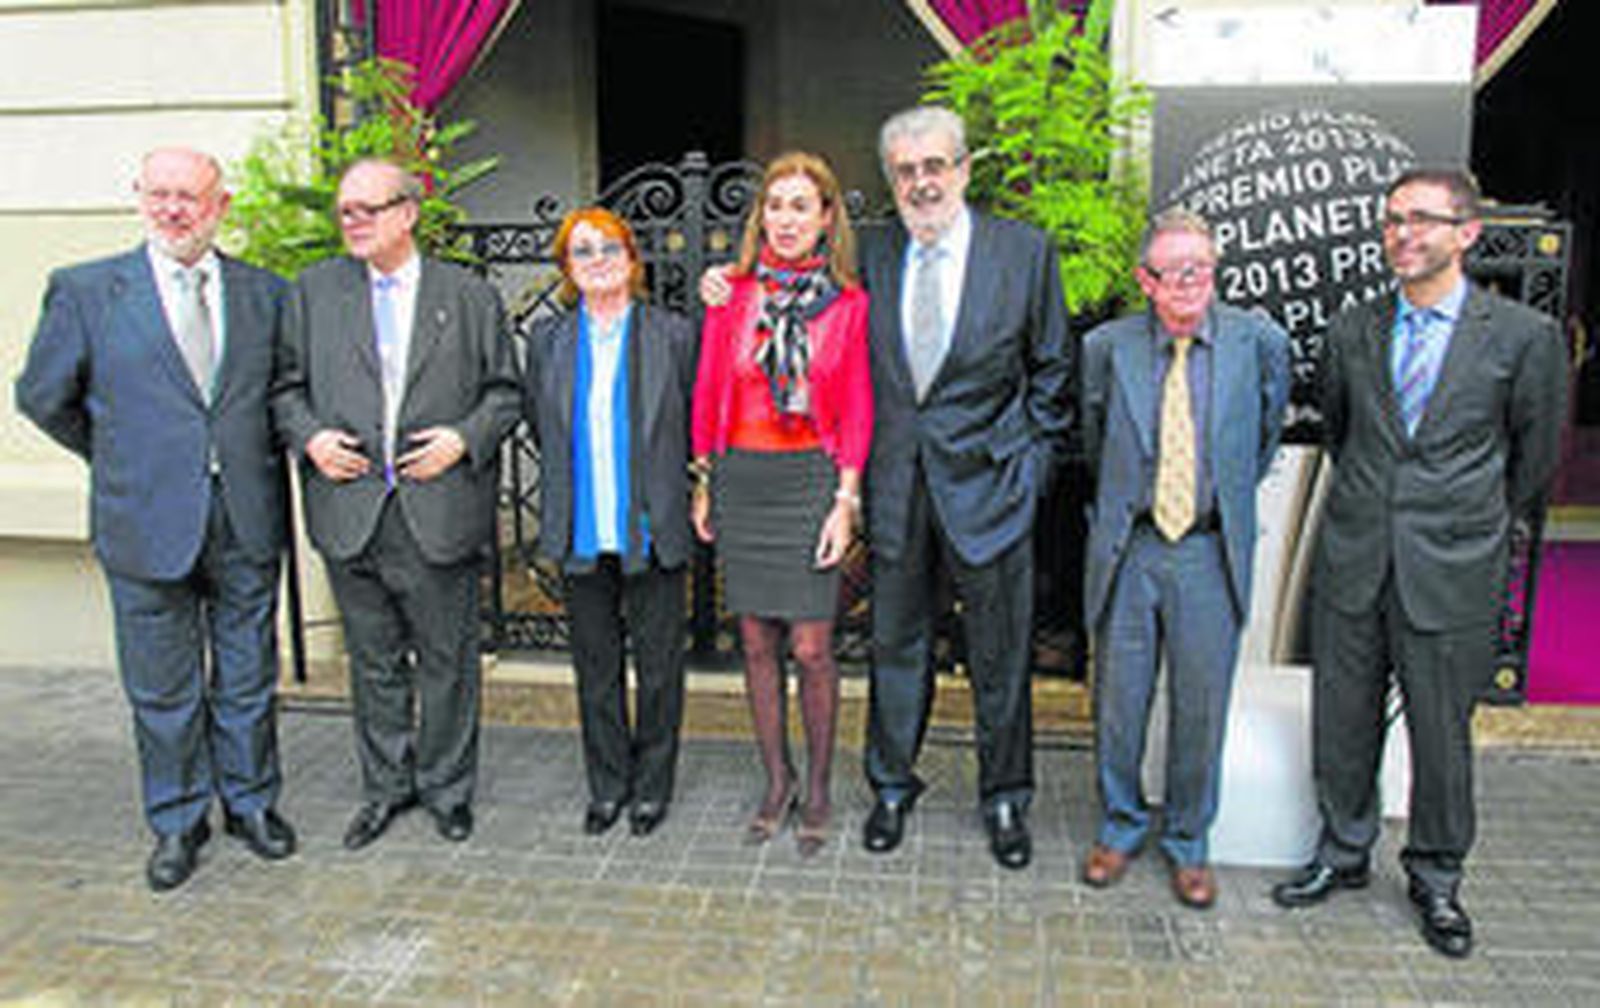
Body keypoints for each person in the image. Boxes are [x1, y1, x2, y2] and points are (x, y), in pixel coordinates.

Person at [1271, 169, 1567, 957]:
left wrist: (1464, 519)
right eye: (1393, 221)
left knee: (1440, 735)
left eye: (1423, 220)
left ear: (1467, 233)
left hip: (1452, 569)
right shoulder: (1353, 329)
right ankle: (1342, 852)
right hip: (1355, 559)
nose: (1403, 234)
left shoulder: (1522, 338)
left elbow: (1534, 460)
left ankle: (1436, 877)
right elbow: (1343, 430)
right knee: (1343, 721)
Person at [16, 147, 296, 891]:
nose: (175, 209)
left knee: (246, 676)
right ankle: (176, 820)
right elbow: (45, 397)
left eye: (191, 197)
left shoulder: (264, 294)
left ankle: (251, 803)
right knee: (162, 689)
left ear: (220, 206)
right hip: (142, 523)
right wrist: (120, 458)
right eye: (161, 194)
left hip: (244, 517)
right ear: (139, 196)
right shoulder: (86, 292)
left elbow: (279, 396)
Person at [271, 157, 520, 850]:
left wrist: (463, 440)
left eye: (366, 209)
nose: (351, 221)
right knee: (373, 662)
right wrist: (312, 437)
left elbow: (505, 393)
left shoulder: (467, 296)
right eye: (344, 210)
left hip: (437, 507)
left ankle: (447, 789)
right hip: (349, 508)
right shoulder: (313, 293)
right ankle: (386, 788)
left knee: (446, 660)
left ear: (407, 213)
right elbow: (284, 389)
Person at [860, 106, 1072, 870]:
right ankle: (889, 785)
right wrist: (725, 281)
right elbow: (797, 304)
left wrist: (1031, 463)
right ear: (891, 178)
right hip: (895, 484)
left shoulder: (1023, 252)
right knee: (895, 643)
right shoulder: (871, 251)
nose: (921, 183)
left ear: (965, 169)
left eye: (934, 167)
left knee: (1001, 651)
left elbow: (1054, 369)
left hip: (992, 485)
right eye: (906, 171)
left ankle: (1006, 796)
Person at [1079, 207, 1289, 908]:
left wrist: (1212, 504)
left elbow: (1260, 441)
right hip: (1131, 547)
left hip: (1206, 550)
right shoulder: (1106, 347)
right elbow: (1092, 433)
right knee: (1119, 703)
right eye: (1173, 273)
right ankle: (1120, 825)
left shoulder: (1257, 342)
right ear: (1146, 280)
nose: (1189, 284)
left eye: (1200, 269)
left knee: (1201, 705)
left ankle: (1189, 842)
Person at [691, 152, 872, 857]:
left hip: (808, 482)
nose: (787, 219)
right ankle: (778, 781)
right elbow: (709, 390)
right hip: (742, 477)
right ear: (760, 216)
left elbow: (858, 405)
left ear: (827, 217)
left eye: (802, 206)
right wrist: (704, 479)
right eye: (776, 205)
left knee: (812, 644)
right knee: (757, 642)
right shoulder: (730, 295)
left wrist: (845, 500)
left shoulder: (848, 303)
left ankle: (821, 786)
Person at [523, 208, 696, 837]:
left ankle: (651, 788)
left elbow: (691, 426)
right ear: (567, 268)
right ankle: (607, 785)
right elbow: (539, 422)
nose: (598, 260)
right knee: (594, 669)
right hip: (580, 525)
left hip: (650, 526)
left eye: (609, 247)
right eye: (582, 251)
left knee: (657, 670)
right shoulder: (548, 340)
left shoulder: (673, 334)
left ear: (631, 257)